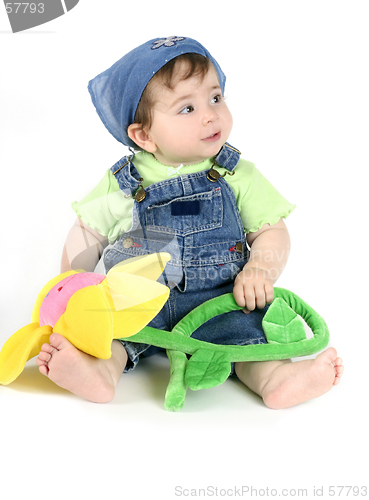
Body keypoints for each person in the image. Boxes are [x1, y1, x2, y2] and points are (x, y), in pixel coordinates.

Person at [36, 36, 343, 408]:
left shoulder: (236, 174)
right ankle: (100, 373)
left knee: (246, 336)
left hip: (217, 299)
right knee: (110, 330)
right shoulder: (123, 181)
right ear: (143, 135)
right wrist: (70, 286)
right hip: (137, 297)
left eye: (215, 98)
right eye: (187, 109)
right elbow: (87, 232)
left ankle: (277, 378)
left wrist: (260, 269)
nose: (210, 114)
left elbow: (271, 230)